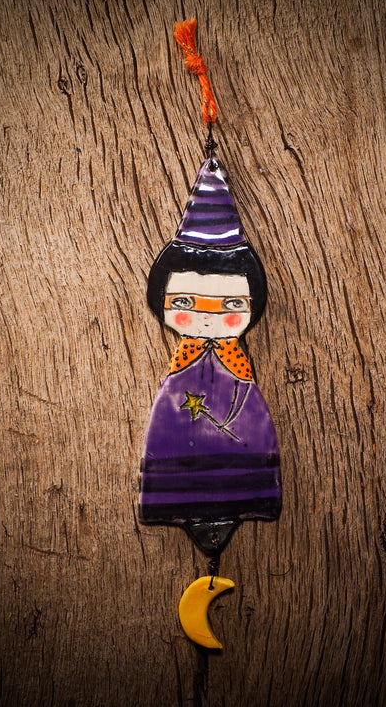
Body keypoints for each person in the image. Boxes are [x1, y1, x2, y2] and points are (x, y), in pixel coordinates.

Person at [140, 155, 281, 555]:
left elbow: (241, 406)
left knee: (248, 439)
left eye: (229, 304)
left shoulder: (239, 369)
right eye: (186, 301)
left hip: (238, 423)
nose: (206, 317)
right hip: (180, 419)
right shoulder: (180, 372)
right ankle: (177, 498)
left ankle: (243, 495)